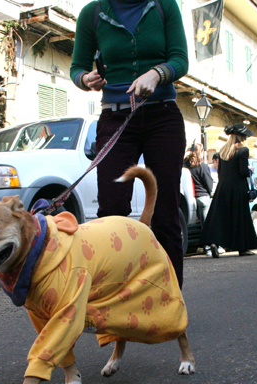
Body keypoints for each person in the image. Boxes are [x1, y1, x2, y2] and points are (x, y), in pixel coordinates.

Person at [70, 0, 188, 287]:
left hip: (163, 117)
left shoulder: (164, 6)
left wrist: (157, 73)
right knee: (111, 211)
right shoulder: (93, 13)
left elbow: (180, 60)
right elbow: (76, 68)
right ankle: (116, 297)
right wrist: (86, 78)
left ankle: (169, 298)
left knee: (165, 212)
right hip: (115, 118)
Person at [200, 123, 257, 257]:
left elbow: (221, 171)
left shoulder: (223, 150)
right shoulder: (243, 150)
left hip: (223, 187)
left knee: (221, 217)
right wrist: (250, 171)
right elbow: (243, 171)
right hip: (238, 187)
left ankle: (215, 242)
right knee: (240, 217)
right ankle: (242, 247)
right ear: (241, 137)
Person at [184, 142, 213, 226]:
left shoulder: (186, 165)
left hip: (191, 198)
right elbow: (209, 183)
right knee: (206, 226)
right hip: (203, 196)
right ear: (200, 152)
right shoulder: (202, 166)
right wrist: (210, 192)